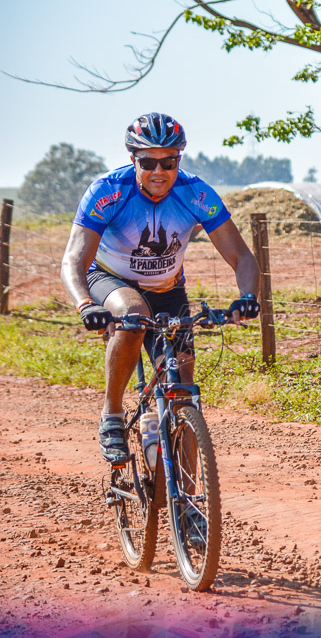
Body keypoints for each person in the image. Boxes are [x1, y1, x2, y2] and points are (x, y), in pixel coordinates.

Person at [60, 113, 261, 466]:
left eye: (168, 162)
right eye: (148, 162)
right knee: (134, 315)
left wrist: (247, 297)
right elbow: (73, 260)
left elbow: (241, 255)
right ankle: (112, 415)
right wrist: (85, 304)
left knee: (183, 393)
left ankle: (190, 508)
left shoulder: (196, 193)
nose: (159, 171)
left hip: (168, 289)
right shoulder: (108, 191)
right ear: (132, 160)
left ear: (178, 160)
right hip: (110, 280)